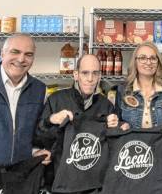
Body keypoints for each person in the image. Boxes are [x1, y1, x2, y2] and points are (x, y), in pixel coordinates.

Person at [0, 33, 50, 190]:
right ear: (2, 53)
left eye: (28, 54)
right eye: (15, 52)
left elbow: (36, 129)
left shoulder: (39, 89)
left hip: (21, 172)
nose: (21, 59)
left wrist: (36, 150)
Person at [35, 54, 117, 193]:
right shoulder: (56, 100)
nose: (90, 79)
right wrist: (52, 120)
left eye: (95, 73)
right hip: (60, 181)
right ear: (76, 75)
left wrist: (117, 127)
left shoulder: (106, 105)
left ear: (99, 76)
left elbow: (113, 147)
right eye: (85, 73)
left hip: (94, 184)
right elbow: (39, 137)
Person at [114, 41, 162, 194]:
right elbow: (116, 122)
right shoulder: (123, 90)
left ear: (158, 62)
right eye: (143, 58)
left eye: (153, 58)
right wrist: (120, 125)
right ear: (135, 62)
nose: (148, 62)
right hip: (133, 161)